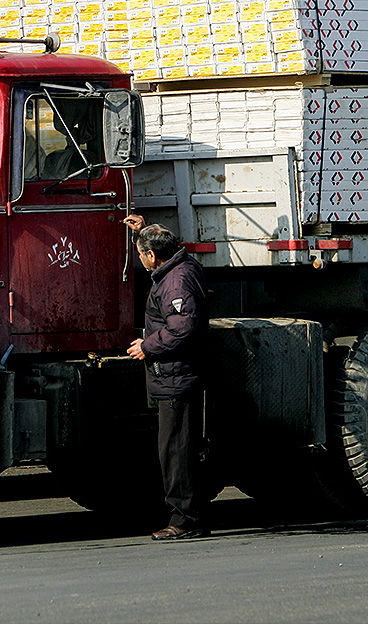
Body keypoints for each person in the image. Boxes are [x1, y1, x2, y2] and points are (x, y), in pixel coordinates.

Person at [123, 213, 210, 541]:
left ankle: (184, 521)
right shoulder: (175, 268)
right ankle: (190, 517)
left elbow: (182, 327)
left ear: (152, 255)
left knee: (176, 451)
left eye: (140, 252)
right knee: (177, 448)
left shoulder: (175, 280)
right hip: (174, 376)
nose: (139, 258)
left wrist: (147, 346)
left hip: (176, 376)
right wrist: (143, 230)